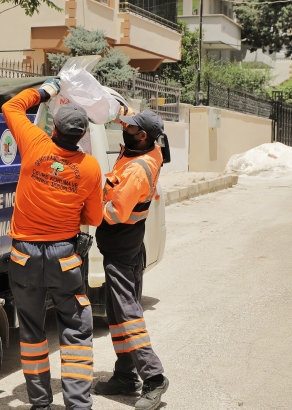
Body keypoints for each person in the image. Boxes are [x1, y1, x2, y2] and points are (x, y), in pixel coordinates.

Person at [1, 79, 103, 410]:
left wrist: (47, 89)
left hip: (24, 257)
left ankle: (40, 405)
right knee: (75, 330)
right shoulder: (90, 168)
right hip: (64, 258)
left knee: (31, 333)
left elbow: (11, 106)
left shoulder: (35, 142)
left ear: (53, 128)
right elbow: (95, 218)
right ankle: (78, 405)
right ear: (82, 136)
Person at [92, 110, 169, 410]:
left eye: (132, 128)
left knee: (127, 313)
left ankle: (154, 377)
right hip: (127, 244)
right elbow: (124, 120)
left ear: (144, 136)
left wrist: (87, 210)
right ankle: (125, 375)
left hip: (121, 242)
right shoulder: (143, 148)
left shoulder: (138, 168)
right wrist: (114, 112)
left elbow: (115, 214)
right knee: (116, 312)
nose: (126, 129)